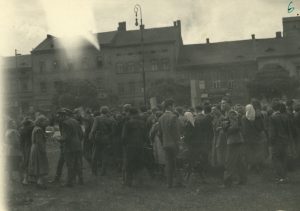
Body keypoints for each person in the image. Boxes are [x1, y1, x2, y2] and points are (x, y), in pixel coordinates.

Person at [158, 99, 183, 188]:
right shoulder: (173, 117)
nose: (174, 108)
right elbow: (176, 132)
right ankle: (179, 182)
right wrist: (179, 143)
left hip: (165, 144)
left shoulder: (161, 117)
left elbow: (159, 133)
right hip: (174, 143)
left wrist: (163, 142)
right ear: (169, 106)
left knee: (168, 163)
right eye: (173, 106)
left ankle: (169, 183)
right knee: (177, 162)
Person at [269, 101, 294, 184]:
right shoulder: (286, 116)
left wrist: (271, 142)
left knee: (276, 159)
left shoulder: (273, 117)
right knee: (283, 158)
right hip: (285, 140)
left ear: (273, 108)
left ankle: (280, 177)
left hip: (277, 141)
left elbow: (272, 132)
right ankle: (285, 176)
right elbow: (289, 130)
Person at [122, 107, 147, 186]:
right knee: (139, 164)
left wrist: (124, 145)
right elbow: (145, 135)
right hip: (140, 145)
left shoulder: (128, 123)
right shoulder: (142, 123)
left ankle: (128, 182)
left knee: (128, 164)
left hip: (130, 146)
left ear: (130, 114)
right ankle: (139, 182)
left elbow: (124, 136)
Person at [59, 109, 84, 187]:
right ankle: (81, 180)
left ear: (63, 115)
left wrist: (58, 139)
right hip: (78, 145)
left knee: (70, 164)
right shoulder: (75, 121)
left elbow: (65, 137)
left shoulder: (65, 123)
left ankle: (69, 182)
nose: (59, 118)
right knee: (78, 163)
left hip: (69, 146)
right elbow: (81, 134)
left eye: (60, 116)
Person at [223, 110, 247, 187]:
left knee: (229, 162)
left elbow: (233, 129)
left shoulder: (234, 120)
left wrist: (225, 129)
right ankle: (243, 180)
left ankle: (227, 182)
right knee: (239, 161)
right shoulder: (237, 120)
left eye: (229, 115)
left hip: (233, 142)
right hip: (238, 141)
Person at [89, 106, 115, 177]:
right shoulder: (111, 119)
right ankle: (103, 172)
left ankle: (94, 172)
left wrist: (92, 137)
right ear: (107, 111)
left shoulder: (97, 118)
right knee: (105, 156)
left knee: (95, 155)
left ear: (101, 111)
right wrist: (108, 137)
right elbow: (113, 131)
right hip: (106, 139)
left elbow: (93, 130)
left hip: (98, 138)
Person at [242, 103, 268, 173]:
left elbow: (244, 130)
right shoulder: (258, 117)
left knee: (249, 153)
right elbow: (262, 128)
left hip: (248, 139)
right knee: (256, 152)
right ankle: (257, 166)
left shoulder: (244, 118)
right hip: (257, 138)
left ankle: (250, 166)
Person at [28, 115, 49, 189]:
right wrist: (43, 150)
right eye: (44, 121)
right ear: (40, 122)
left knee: (37, 165)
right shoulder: (39, 129)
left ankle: (38, 182)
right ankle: (39, 183)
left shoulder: (36, 128)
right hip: (38, 149)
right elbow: (39, 141)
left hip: (35, 148)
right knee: (40, 165)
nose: (46, 123)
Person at [19, 117, 34, 185]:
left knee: (25, 162)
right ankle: (26, 179)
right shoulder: (30, 129)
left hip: (25, 147)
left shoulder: (22, 129)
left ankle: (24, 178)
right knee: (28, 162)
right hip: (29, 146)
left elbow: (21, 141)